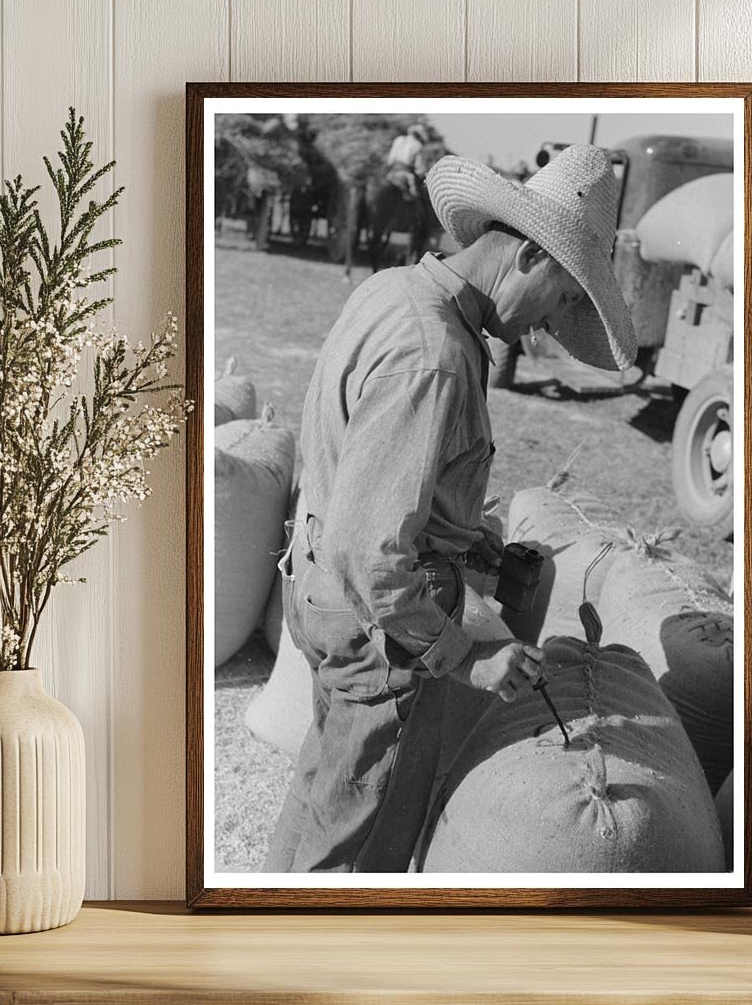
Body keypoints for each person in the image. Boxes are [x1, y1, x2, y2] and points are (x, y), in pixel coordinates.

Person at [262, 143, 637, 874]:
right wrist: (470, 657)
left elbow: (368, 474)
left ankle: (269, 921)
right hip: (374, 630)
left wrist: (467, 541)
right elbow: (371, 552)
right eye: (563, 299)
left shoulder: (393, 291)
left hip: (317, 589)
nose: (547, 326)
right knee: (356, 843)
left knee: (324, 791)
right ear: (529, 256)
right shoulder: (435, 356)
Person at [385, 122, 428, 201]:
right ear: (419, 136)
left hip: (391, 171)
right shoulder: (418, 145)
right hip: (406, 173)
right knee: (417, 197)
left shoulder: (398, 139)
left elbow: (390, 160)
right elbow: (419, 169)